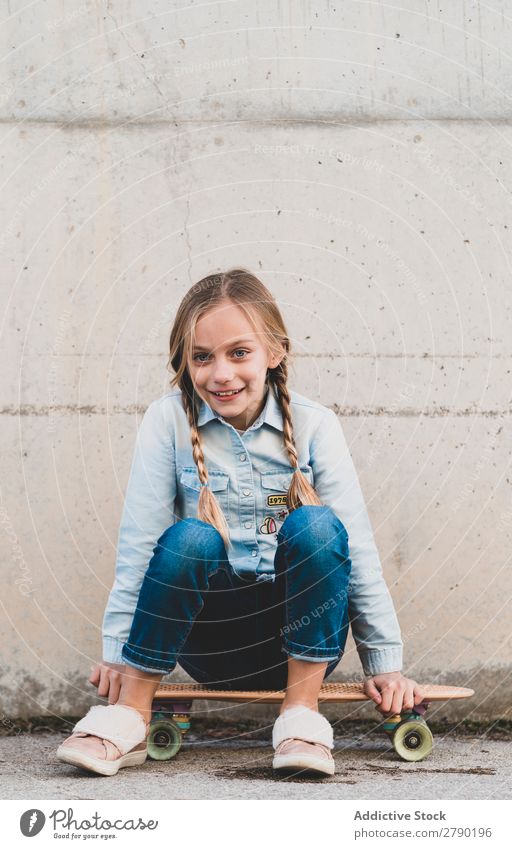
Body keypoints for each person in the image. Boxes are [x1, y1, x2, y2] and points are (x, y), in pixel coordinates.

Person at [57, 268, 424, 778]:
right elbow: (139, 546)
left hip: (303, 646)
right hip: (212, 644)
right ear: (185, 362)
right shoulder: (167, 421)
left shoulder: (316, 424)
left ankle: (301, 717)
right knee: (190, 537)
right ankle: (129, 714)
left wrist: (386, 665)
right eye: (202, 357)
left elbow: (355, 550)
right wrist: (117, 653)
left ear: (275, 352)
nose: (221, 373)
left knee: (318, 527)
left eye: (239, 353)